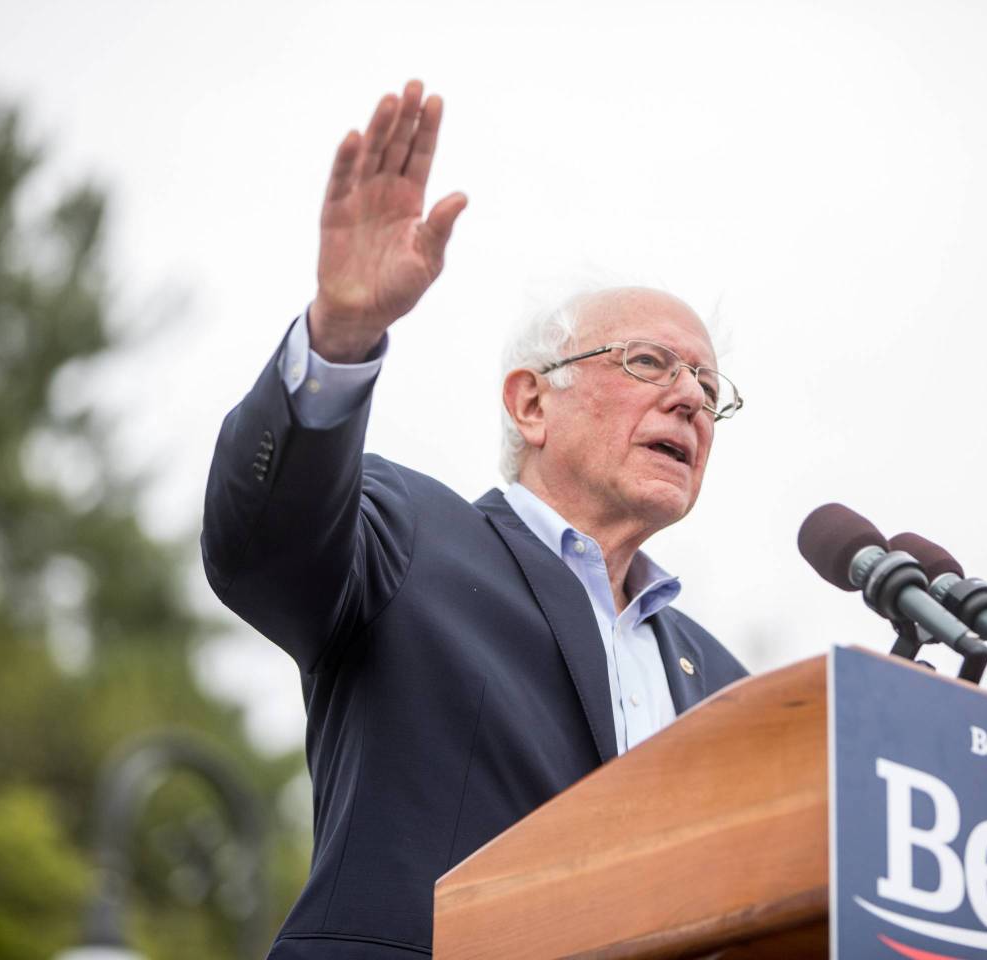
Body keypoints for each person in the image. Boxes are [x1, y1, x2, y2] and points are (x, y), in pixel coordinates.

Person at [202, 80, 748, 959]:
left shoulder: (726, 685)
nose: (690, 397)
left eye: (709, 388)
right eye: (650, 363)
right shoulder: (407, 538)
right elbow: (260, 548)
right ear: (531, 403)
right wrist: (340, 334)